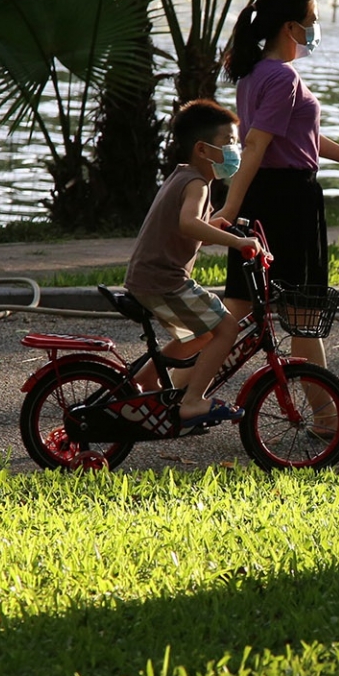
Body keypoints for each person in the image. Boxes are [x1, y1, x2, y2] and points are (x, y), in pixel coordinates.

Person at [214, 0, 339, 439]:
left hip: (268, 197)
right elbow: (254, 146)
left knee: (236, 307)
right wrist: (229, 208)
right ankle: (329, 421)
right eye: (311, 22)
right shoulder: (282, 76)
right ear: (291, 27)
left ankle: (177, 391)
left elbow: (295, 138)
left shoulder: (255, 74)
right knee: (303, 313)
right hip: (288, 202)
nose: (315, 31)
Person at [122, 99, 260, 430]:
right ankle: (192, 401)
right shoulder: (197, 184)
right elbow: (187, 224)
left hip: (150, 277)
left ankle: (140, 384)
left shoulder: (184, 177)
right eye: (228, 142)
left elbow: (188, 229)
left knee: (201, 332)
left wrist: (215, 228)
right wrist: (240, 242)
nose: (234, 150)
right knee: (227, 328)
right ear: (202, 148)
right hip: (164, 280)